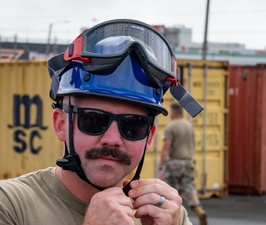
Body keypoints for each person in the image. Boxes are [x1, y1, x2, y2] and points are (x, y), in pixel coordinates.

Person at [0, 19, 203, 225]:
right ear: (61, 124)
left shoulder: (167, 216)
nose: (113, 139)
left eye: (132, 125)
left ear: (149, 137)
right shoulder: (10, 206)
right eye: (94, 119)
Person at [159, 103, 207, 225]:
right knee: (189, 188)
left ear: (174, 112)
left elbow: (166, 148)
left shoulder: (171, 127)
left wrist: (162, 166)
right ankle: (199, 209)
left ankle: (172, 219)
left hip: (174, 163)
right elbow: (193, 144)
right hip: (188, 163)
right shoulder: (189, 126)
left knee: (169, 192)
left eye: (170, 112)